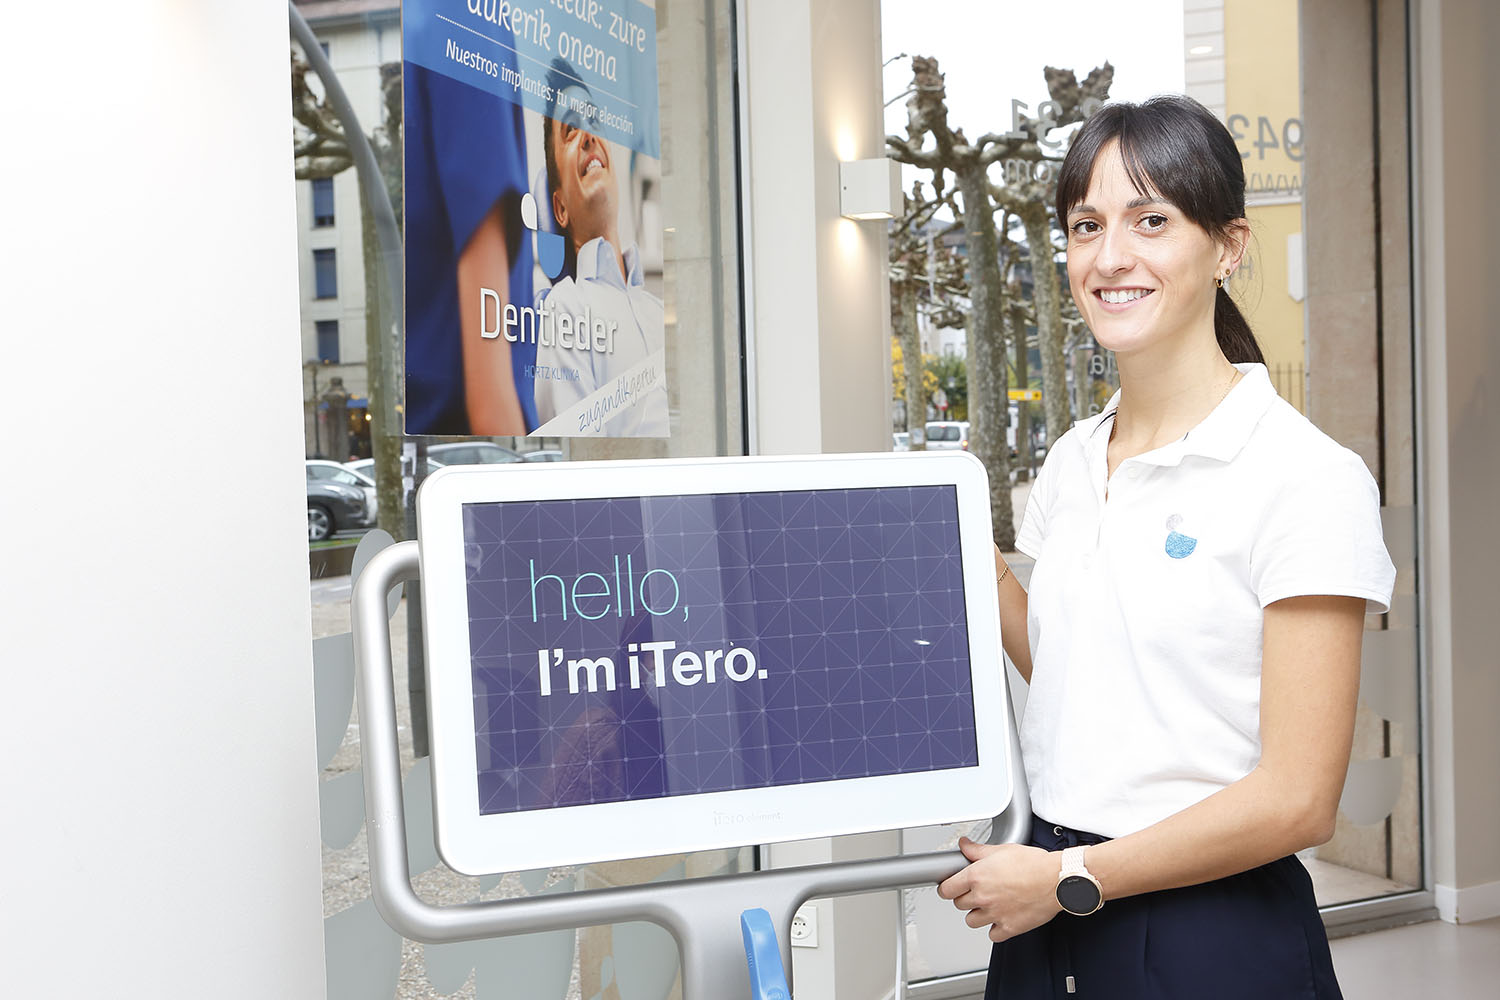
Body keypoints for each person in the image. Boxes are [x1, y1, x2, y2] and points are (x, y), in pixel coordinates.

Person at [938, 95, 1395, 1000]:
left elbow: (1300, 795)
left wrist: (1077, 880)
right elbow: (1082, 670)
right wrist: (966, 547)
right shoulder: (1072, 459)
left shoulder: (1305, 476)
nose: (1111, 257)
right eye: (1087, 224)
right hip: (1045, 907)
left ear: (1228, 246)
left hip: (1208, 928)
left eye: (1152, 221)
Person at [532, 59, 669, 437]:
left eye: (594, 120)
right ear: (559, 207)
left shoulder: (657, 310)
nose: (588, 134)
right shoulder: (565, 310)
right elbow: (580, 466)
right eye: (571, 129)